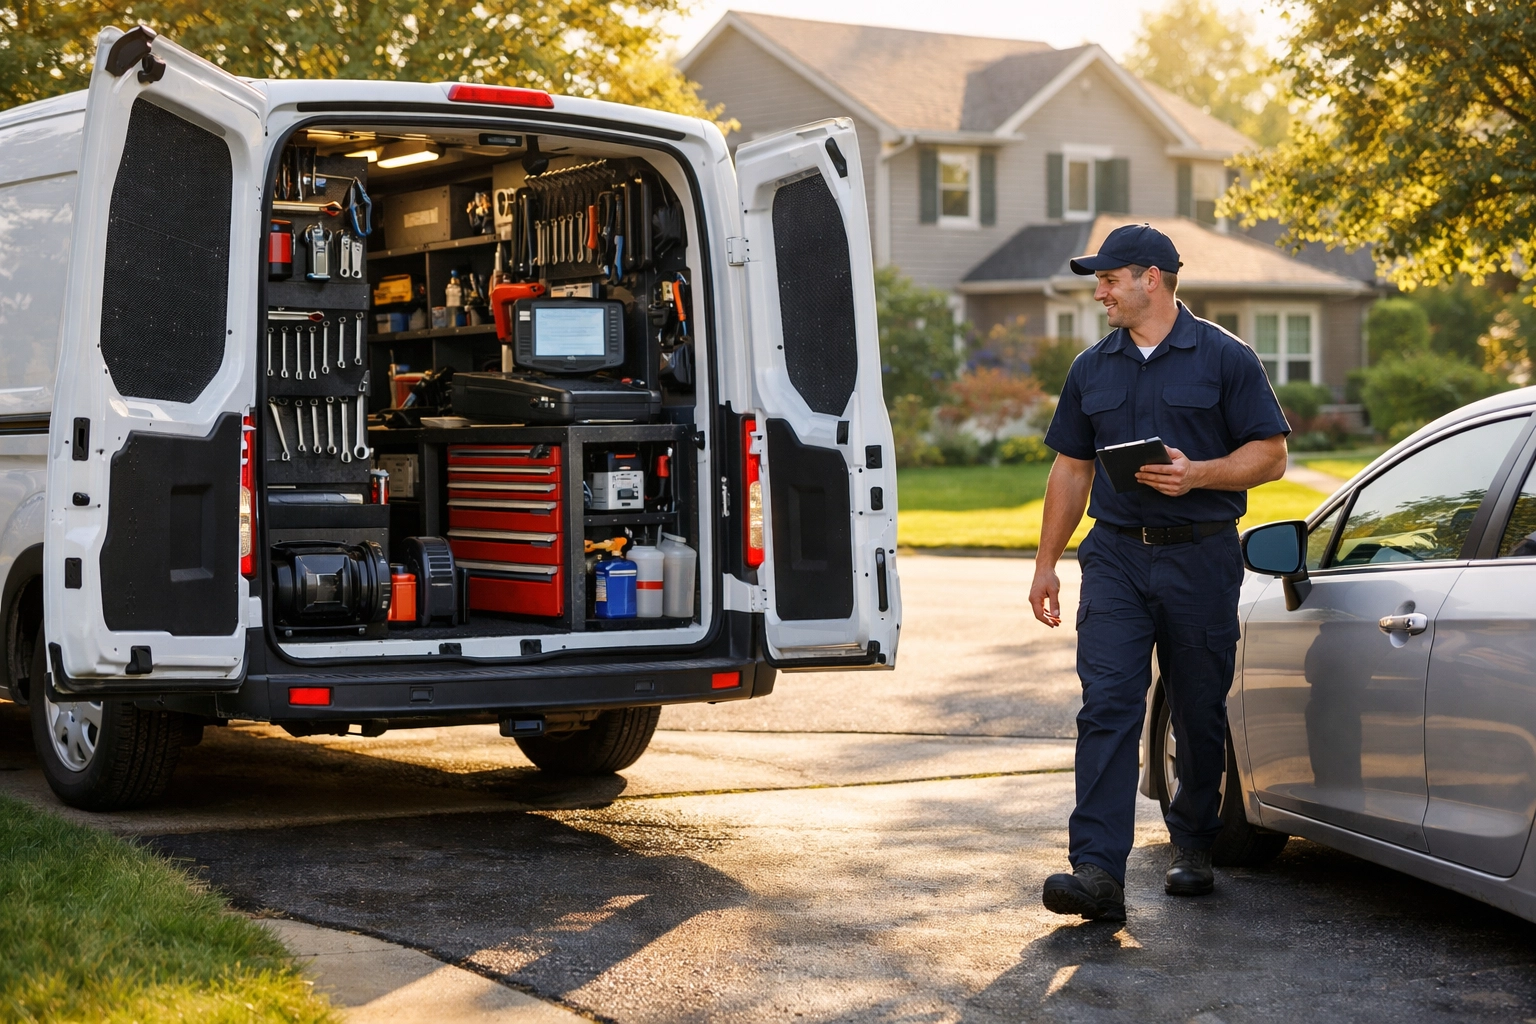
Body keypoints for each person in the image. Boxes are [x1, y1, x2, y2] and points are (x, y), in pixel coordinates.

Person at [1031, 223, 1290, 921]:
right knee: (1108, 703)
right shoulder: (1091, 368)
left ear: (1152, 278)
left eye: (1109, 279)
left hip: (1201, 555)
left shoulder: (1226, 358)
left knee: (1197, 706)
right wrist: (1047, 563)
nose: (1100, 292)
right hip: (1115, 555)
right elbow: (1072, 468)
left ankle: (1195, 842)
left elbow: (1270, 455)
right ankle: (1096, 871)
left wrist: (1198, 474)